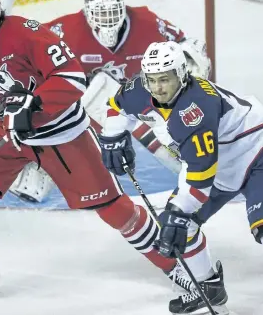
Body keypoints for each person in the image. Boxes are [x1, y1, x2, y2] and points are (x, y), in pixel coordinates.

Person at [0, 0, 187, 302]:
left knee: (114, 209)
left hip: (61, 131)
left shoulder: (29, 33)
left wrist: (35, 103)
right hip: (6, 134)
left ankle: (177, 266)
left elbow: (73, 76)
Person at [10, 0, 211, 203]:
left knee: (167, 115)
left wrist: (192, 61)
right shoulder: (65, 30)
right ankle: (43, 164)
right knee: (92, 90)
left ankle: (194, 159)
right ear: (87, 12)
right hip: (86, 106)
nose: (108, 20)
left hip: (141, 96)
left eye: (113, 12)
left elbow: (185, 45)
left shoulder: (147, 23)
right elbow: (26, 56)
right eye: (101, 13)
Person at [100, 40, 263, 314]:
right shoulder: (141, 89)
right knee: (179, 226)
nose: (158, 87)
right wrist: (112, 136)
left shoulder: (194, 109)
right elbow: (117, 106)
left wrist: (178, 211)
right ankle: (208, 288)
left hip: (255, 151)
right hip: (220, 165)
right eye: (152, 80)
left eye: (165, 79)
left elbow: (200, 175)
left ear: (181, 75)